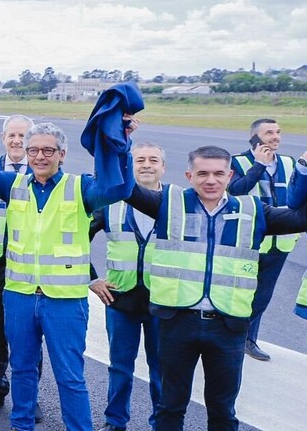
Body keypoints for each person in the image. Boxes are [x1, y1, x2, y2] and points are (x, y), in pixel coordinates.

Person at [0, 101, 135, 431]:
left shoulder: (80, 187)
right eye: (33, 151)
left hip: (64, 301)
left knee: (70, 377)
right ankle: (22, 426)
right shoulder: (13, 185)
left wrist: (121, 144)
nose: (39, 157)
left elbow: (119, 187)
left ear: (62, 154)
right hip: (19, 295)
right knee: (21, 369)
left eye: (48, 150)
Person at [126, 144, 307, 430]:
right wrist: (120, 139)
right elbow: (123, 186)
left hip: (228, 327)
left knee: (223, 410)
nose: (210, 180)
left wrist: (304, 168)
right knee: (170, 406)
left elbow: (301, 218)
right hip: (177, 324)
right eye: (202, 173)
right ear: (189, 175)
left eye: (218, 174)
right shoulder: (168, 203)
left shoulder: (253, 210)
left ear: (230, 175)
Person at [88, 142, 167, 431]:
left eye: (153, 160)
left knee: (163, 371)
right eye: (140, 160)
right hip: (120, 301)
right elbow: (76, 236)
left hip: (165, 303)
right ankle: (115, 422)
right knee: (120, 368)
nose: (146, 164)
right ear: (130, 167)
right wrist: (91, 278)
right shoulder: (111, 202)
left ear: (163, 167)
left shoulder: (177, 203)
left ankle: (163, 423)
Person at [0, 114, 42, 420]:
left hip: (28, 265)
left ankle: (30, 395)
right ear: (3, 138)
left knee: (29, 332)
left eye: (23, 136)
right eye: (12, 135)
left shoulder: (45, 171)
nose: (17, 141)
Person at [228, 118, 307, 361]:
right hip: (248, 241)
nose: (275, 137)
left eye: (278, 132)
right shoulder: (237, 161)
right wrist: (258, 165)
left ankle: (249, 340)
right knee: (238, 292)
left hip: (281, 241)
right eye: (269, 133)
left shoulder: (287, 162)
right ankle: (229, 337)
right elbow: (234, 191)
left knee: (262, 295)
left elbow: (297, 195)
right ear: (254, 138)